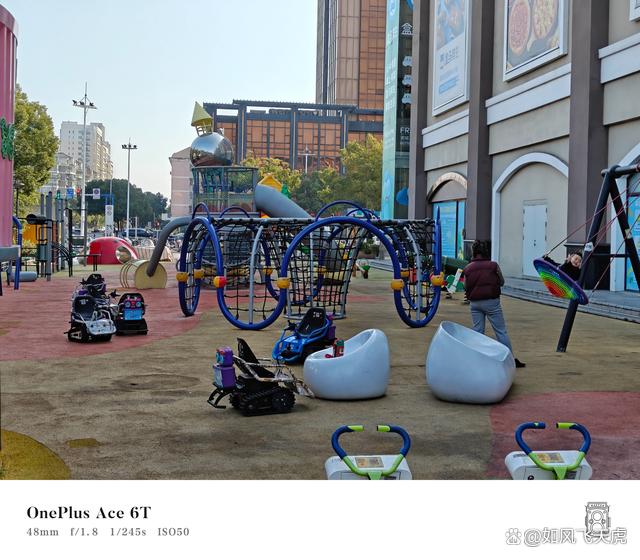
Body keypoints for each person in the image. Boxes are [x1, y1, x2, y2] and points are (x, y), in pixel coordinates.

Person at [463, 241, 526, 368]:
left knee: (478, 331)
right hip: (492, 303)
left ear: (473, 252)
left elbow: (465, 286)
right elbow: (502, 282)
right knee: (501, 331)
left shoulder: (468, 268)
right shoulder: (493, 266)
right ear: (486, 251)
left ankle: (475, 360)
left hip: (475, 303)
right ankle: (510, 361)